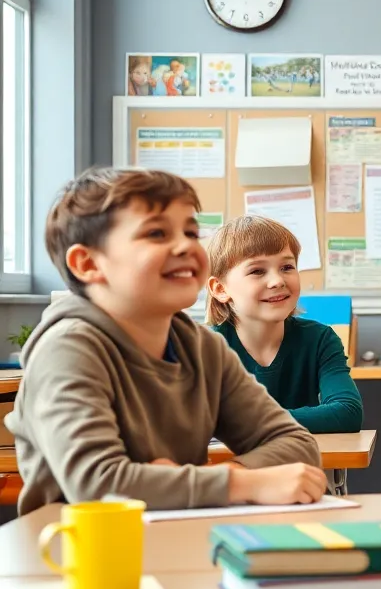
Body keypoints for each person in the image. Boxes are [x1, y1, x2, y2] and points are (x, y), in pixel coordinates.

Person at [8, 168, 325, 516]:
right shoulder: (67, 349)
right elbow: (98, 484)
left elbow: (297, 443)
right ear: (88, 263)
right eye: (156, 233)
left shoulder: (202, 348)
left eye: (190, 232)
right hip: (75, 547)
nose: (186, 246)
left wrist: (220, 476)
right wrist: (243, 484)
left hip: (178, 537)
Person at [206, 215, 362, 434]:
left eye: (287, 267)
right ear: (221, 289)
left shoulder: (319, 339)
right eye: (257, 271)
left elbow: (348, 413)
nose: (278, 281)